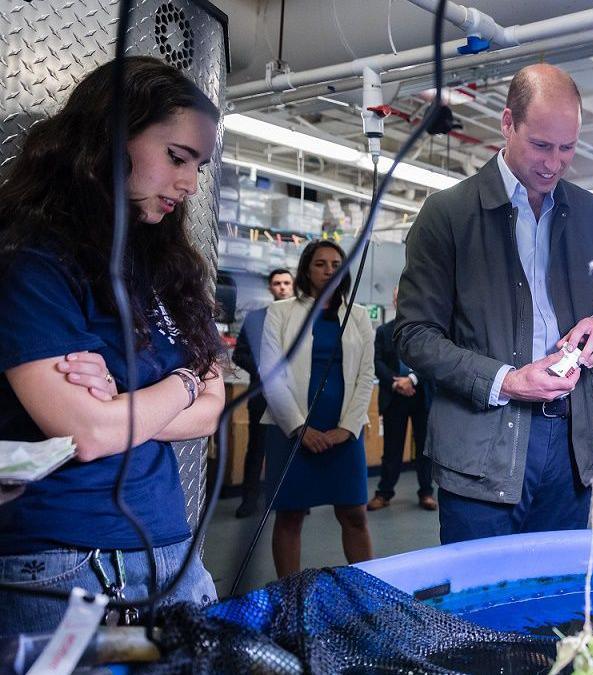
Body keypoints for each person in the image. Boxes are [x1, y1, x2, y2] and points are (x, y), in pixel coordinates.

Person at [0, 56, 224, 635]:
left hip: (175, 551)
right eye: (176, 157)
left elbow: (213, 408)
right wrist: (178, 385)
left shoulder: (162, 266)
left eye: (198, 166)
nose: (189, 184)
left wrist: (126, 399)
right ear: (109, 137)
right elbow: (89, 434)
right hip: (67, 563)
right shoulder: (36, 264)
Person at [396, 64, 593, 545]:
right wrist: (509, 380)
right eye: (541, 145)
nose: (554, 163)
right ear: (507, 124)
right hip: (483, 450)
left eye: (568, 148)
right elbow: (414, 335)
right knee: (480, 608)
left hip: (572, 450)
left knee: (556, 604)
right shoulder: (447, 215)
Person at [260, 241, 375, 578]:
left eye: (335, 263)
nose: (328, 270)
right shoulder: (280, 313)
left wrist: (349, 427)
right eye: (320, 264)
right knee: (290, 515)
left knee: (354, 513)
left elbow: (365, 375)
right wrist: (299, 427)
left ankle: (368, 593)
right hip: (289, 430)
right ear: (306, 270)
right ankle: (290, 593)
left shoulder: (358, 315)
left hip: (344, 431)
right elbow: (271, 374)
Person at [231, 268, 293, 518]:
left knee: (290, 449)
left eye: (286, 283)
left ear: (293, 286)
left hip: (293, 395)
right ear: (270, 288)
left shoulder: (305, 318)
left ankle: (290, 497)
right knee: (257, 448)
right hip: (262, 394)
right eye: (277, 283)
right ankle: (249, 501)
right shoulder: (256, 318)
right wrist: (261, 367)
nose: (282, 287)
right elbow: (239, 353)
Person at [369, 285, 436, 512]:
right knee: (392, 448)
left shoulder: (428, 332)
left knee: (425, 448)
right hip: (394, 397)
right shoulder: (383, 332)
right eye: (399, 297)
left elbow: (432, 362)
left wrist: (413, 380)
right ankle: (384, 493)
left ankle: (426, 492)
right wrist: (396, 382)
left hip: (421, 397)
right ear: (394, 301)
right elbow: (376, 362)